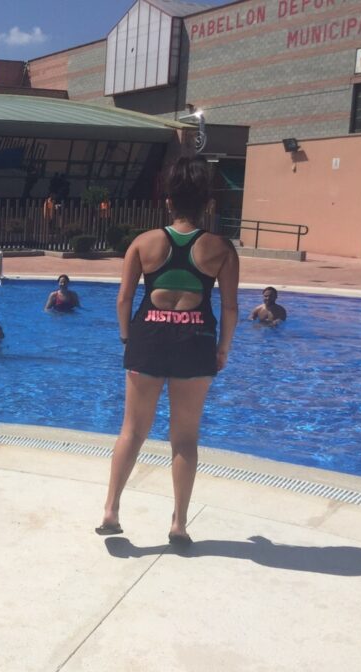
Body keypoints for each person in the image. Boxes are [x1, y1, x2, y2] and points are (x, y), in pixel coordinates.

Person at [97, 156, 239, 546]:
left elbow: (124, 299)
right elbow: (229, 308)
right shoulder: (221, 248)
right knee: (185, 438)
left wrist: (128, 338)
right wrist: (223, 349)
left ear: (169, 201)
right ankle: (178, 524)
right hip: (196, 344)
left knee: (133, 430)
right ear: (207, 203)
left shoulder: (144, 243)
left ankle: (111, 509)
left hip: (148, 340)